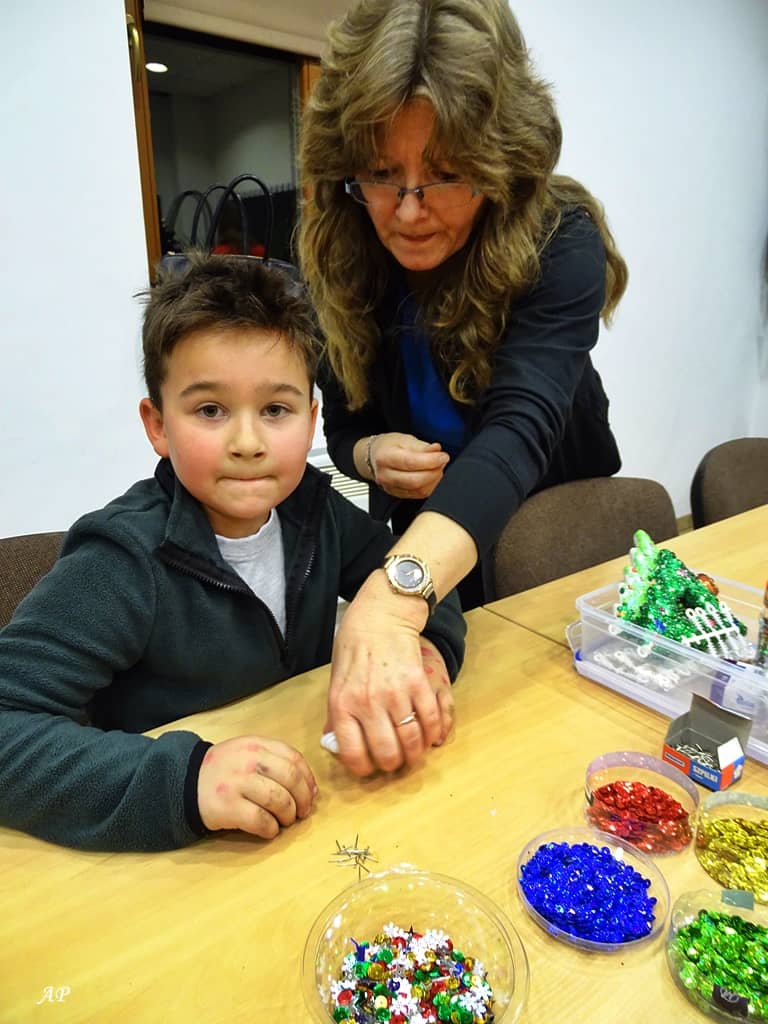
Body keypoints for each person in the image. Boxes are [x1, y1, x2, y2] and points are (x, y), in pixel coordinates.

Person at [0, 254, 465, 852]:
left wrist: (422, 652)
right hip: (179, 856)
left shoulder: (315, 509)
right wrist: (187, 783)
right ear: (158, 425)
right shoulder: (121, 559)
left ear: (311, 421)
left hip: (311, 821)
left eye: (275, 410)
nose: (248, 443)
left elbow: (419, 576)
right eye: (210, 410)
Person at [298, 0, 627, 775]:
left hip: (550, 521)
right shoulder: (343, 250)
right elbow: (342, 429)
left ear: (498, 159)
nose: (409, 212)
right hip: (427, 542)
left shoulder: (559, 238)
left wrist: (391, 599)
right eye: (383, 175)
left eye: (446, 174)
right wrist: (369, 453)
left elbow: (519, 430)